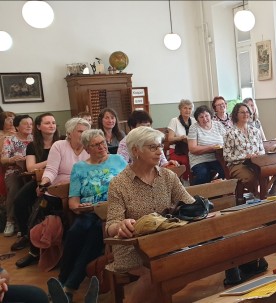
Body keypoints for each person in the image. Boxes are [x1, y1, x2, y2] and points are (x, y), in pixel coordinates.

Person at [106, 126, 195, 303]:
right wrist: (121, 226)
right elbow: (111, 225)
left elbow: (189, 204)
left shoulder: (168, 176)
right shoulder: (119, 184)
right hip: (133, 248)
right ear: (135, 151)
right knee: (159, 271)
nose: (159, 151)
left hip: (165, 243)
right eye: (152, 147)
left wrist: (202, 208)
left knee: (187, 265)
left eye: (160, 146)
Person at [56, 129, 127, 301]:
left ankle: (68, 285)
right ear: (87, 148)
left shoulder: (118, 160)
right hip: (88, 211)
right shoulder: (79, 168)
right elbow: (73, 202)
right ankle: (64, 280)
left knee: (96, 234)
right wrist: (80, 207)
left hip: (113, 210)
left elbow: (129, 187)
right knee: (75, 231)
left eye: (103, 142)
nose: (102, 147)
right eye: (96, 145)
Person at [16, 118, 91, 269]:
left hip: (82, 189)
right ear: (69, 133)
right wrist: (44, 183)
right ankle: (34, 250)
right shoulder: (59, 146)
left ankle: (78, 252)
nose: (84, 134)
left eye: (86, 131)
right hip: (58, 188)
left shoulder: (90, 146)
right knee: (48, 203)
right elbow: (51, 169)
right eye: (80, 131)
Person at [11, 113, 60, 253]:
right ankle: (27, 234)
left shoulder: (62, 141)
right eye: (47, 123)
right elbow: (31, 167)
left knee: (47, 205)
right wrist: (51, 160)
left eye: (53, 122)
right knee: (19, 201)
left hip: (59, 179)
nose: (52, 125)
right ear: (38, 127)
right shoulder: (32, 145)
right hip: (39, 179)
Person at [1, 115, 33, 237]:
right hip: (14, 170)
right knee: (15, 187)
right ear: (17, 126)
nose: (29, 126)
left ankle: (29, 222)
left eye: (31, 124)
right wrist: (12, 159)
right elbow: (3, 160)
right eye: (25, 124)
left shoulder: (35, 139)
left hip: (32, 170)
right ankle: (11, 220)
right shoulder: (9, 139)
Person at [223, 103, 265, 196]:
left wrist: (258, 154)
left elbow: (262, 150)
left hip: (256, 163)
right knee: (251, 177)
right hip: (238, 165)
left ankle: (271, 193)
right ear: (236, 114)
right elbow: (227, 156)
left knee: (274, 171)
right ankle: (259, 196)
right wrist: (245, 156)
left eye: (247, 112)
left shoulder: (255, 131)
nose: (245, 114)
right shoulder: (230, 133)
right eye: (242, 112)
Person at [187, 105, 226, 185]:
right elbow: (192, 149)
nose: (205, 119)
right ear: (197, 119)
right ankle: (194, 194)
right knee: (203, 175)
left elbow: (226, 141)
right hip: (199, 160)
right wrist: (211, 148)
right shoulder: (194, 128)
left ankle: (217, 193)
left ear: (210, 115)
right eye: (201, 117)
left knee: (226, 171)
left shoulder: (218, 125)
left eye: (206, 116)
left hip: (218, 158)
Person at [167, 99, 195, 184]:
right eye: (185, 108)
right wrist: (181, 137)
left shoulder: (194, 121)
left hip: (190, 148)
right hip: (176, 150)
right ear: (180, 109)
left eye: (190, 108)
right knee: (186, 161)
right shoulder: (174, 120)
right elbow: (170, 139)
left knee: (197, 161)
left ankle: (195, 184)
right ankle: (185, 182)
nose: (187, 110)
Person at [0, 111, 16, 203]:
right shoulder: (1, 134)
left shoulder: (19, 132)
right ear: (2, 121)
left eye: (13, 119)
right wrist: (8, 136)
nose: (12, 121)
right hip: (4, 167)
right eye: (8, 119)